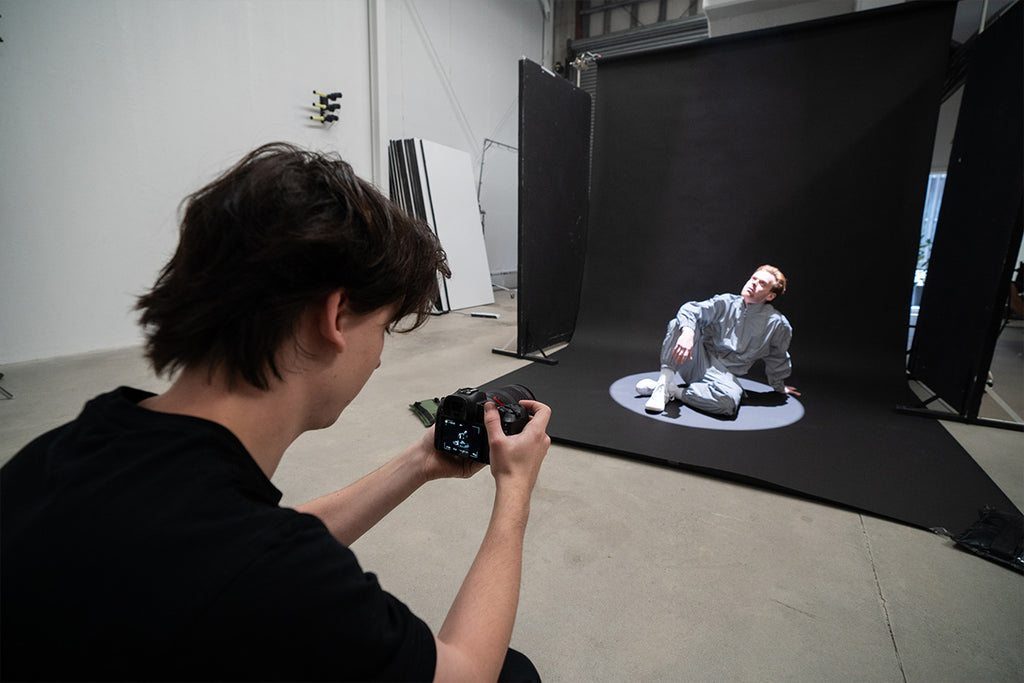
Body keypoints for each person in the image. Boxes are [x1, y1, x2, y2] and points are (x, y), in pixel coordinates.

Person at [0, 143, 552, 682]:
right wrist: (515, 495)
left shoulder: (61, 451)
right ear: (334, 317)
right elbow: (464, 672)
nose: (380, 359)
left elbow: (252, 542)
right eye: (381, 329)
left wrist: (419, 461)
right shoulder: (273, 578)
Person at [639, 265, 799, 417]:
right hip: (696, 361)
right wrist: (687, 333)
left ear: (770, 295)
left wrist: (779, 386)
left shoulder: (777, 324)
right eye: (753, 279)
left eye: (762, 283)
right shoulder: (726, 302)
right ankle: (662, 384)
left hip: (723, 377)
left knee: (728, 403)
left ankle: (673, 391)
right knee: (679, 323)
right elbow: (690, 309)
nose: (753, 284)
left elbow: (778, 357)